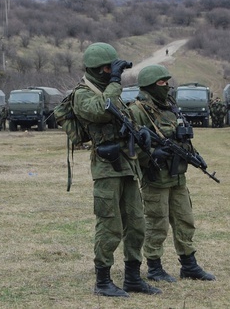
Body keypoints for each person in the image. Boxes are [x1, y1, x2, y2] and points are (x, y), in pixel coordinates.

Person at [72, 42, 161, 297]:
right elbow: (103, 110)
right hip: (106, 168)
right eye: (108, 68)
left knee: (136, 223)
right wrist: (114, 80)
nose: (113, 72)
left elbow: (123, 117)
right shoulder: (83, 94)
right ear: (96, 69)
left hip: (128, 165)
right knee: (109, 225)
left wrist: (142, 133)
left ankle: (133, 277)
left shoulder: (111, 91)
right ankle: (103, 281)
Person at [129, 64, 216, 283]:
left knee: (185, 220)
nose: (166, 86)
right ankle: (154, 267)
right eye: (161, 83)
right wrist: (152, 153)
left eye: (167, 82)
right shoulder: (138, 111)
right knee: (156, 223)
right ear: (149, 85)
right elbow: (130, 145)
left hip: (177, 175)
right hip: (155, 177)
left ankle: (189, 265)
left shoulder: (171, 107)